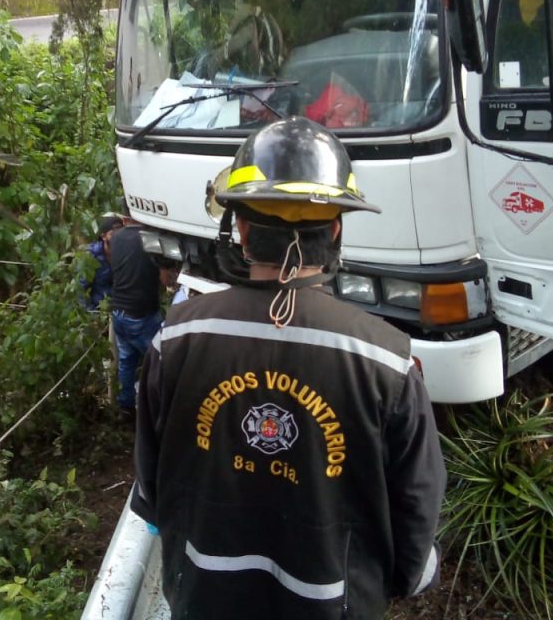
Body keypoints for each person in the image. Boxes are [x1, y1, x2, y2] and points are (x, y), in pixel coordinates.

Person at [132, 116, 446, 619]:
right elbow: (416, 509)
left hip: (205, 597)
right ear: (337, 227)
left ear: (241, 228)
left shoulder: (177, 338)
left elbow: (150, 485)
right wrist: (405, 577)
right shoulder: (388, 361)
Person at [109, 214, 166, 423]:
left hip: (119, 312)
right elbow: (164, 277)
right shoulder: (150, 239)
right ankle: (158, 410)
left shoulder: (115, 237)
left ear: (125, 218)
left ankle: (126, 407)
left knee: (126, 361)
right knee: (160, 363)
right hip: (141, 314)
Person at [80, 214, 124, 311]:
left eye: (121, 233)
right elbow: (81, 289)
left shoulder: (126, 253)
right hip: (98, 308)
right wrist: (90, 313)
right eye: (113, 234)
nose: (118, 237)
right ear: (103, 237)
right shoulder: (92, 256)